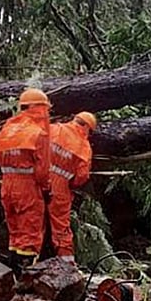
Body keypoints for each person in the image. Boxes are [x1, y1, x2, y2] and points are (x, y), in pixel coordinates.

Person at [0, 88, 51, 267]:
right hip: (27, 187)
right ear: (40, 108)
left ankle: (12, 274)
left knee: (15, 231)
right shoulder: (38, 133)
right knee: (30, 232)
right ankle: (26, 276)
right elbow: (42, 170)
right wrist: (46, 188)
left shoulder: (8, 128)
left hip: (7, 184)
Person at [47, 112, 96, 264]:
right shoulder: (84, 147)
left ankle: (24, 264)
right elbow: (81, 177)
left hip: (36, 180)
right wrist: (69, 182)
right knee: (61, 228)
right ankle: (67, 265)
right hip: (59, 188)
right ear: (87, 127)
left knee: (30, 222)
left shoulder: (54, 129)